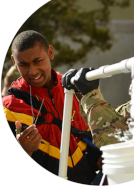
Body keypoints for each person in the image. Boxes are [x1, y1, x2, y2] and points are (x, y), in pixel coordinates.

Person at [2, 30, 102, 184]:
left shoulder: (74, 88)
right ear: (14, 62)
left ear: (50, 52)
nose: (32, 71)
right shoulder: (9, 107)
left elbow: (88, 138)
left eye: (37, 61)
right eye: (23, 64)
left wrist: (102, 158)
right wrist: (25, 150)